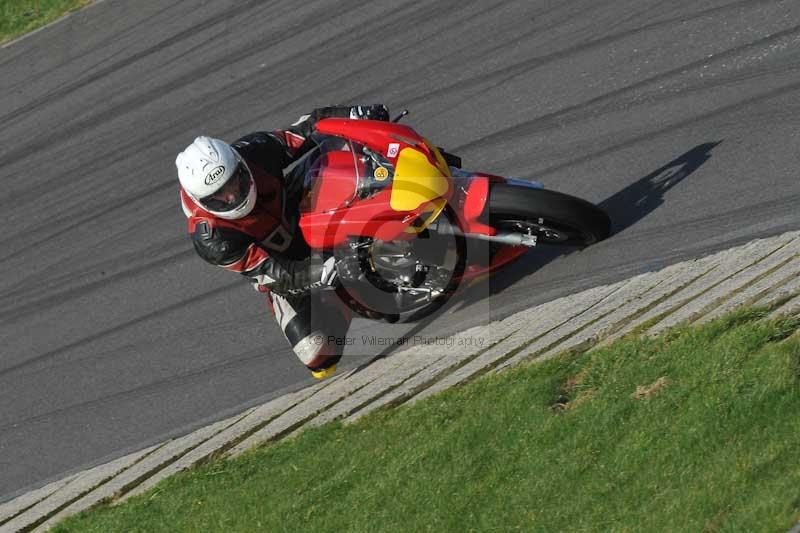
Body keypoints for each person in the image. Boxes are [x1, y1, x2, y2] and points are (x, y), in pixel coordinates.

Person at [176, 105, 391, 379]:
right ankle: (348, 299)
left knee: (339, 145)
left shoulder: (255, 150)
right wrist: (321, 272)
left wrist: (354, 114)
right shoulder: (212, 239)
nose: (232, 198)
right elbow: (276, 275)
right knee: (316, 354)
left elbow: (306, 129)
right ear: (201, 201)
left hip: (296, 204)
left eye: (235, 183)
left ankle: (396, 186)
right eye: (220, 197)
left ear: (240, 166)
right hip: (285, 269)